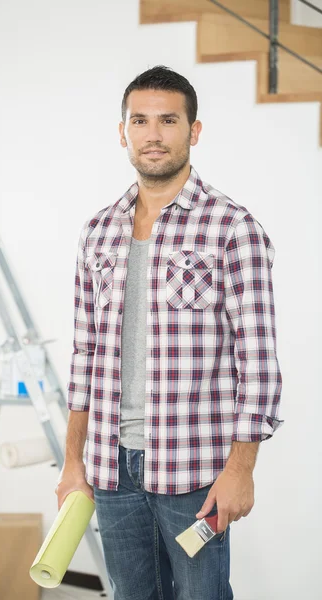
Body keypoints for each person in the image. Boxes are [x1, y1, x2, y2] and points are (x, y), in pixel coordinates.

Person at [56, 65, 283, 600]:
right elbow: (84, 353)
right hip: (112, 470)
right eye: (140, 120)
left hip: (195, 467)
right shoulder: (98, 231)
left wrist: (241, 470)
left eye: (168, 120)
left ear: (193, 131)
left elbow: (259, 359)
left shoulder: (233, 228)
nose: (153, 134)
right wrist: (73, 460)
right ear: (123, 132)